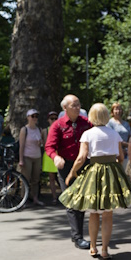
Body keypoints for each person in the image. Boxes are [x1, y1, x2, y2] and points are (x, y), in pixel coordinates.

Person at [59, 103, 131, 259]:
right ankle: (104, 250)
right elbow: (121, 157)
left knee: (94, 213)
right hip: (111, 171)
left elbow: (81, 157)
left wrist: (72, 172)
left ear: (91, 116)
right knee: (108, 213)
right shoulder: (114, 134)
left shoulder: (88, 134)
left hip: (94, 172)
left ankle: (93, 247)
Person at [45, 94, 93, 250]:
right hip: (66, 167)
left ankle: (78, 234)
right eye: (74, 105)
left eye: (79, 104)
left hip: (84, 165)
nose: (78, 108)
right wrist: (55, 157)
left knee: (82, 200)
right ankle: (77, 237)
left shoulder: (86, 123)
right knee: (72, 201)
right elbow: (49, 147)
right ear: (65, 108)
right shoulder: (58, 125)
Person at [18, 109, 45, 206]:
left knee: (36, 179)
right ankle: (23, 200)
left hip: (37, 156)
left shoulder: (39, 129)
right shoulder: (24, 129)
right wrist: (21, 160)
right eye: (32, 116)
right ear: (28, 117)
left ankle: (35, 198)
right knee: (26, 178)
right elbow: (21, 146)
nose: (34, 118)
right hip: (27, 156)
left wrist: (40, 143)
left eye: (36, 116)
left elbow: (41, 143)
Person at [42, 111, 60, 204]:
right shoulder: (45, 131)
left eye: (55, 118)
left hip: (59, 154)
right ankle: (54, 197)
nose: (53, 120)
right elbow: (44, 143)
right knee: (51, 178)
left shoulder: (61, 128)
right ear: (48, 120)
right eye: (51, 118)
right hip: (49, 156)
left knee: (62, 177)